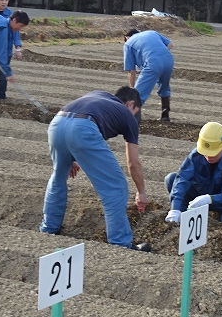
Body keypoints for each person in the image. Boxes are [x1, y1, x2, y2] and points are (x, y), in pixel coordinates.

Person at [39, 87, 151, 252]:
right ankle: (120, 243)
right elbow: (133, 163)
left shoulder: (98, 95)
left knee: (58, 177)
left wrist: (71, 156)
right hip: (82, 128)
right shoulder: (127, 115)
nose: (135, 116)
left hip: (57, 124)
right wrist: (141, 192)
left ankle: (48, 229)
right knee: (115, 185)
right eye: (136, 112)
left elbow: (73, 121)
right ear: (131, 104)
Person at [164, 122, 222, 224]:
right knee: (171, 179)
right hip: (199, 197)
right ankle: (182, 216)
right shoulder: (196, 156)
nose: (208, 156)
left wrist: (209, 199)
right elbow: (182, 179)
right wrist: (175, 208)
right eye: (205, 152)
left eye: (213, 153)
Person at [123, 28, 174, 121]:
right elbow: (170, 44)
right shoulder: (152, 32)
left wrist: (132, 88)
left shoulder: (128, 44)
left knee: (138, 94)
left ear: (127, 37)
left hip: (152, 63)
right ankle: (165, 115)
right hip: (168, 59)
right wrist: (160, 55)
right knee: (164, 87)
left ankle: (133, 120)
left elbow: (131, 71)